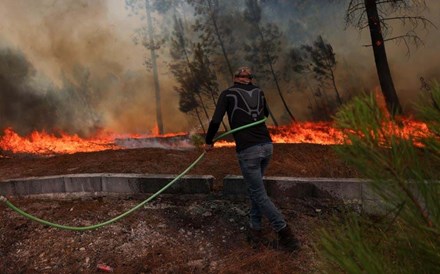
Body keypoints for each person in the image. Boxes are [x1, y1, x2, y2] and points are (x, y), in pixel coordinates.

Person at [204, 66, 300, 251]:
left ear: (235, 78)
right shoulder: (258, 91)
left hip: (249, 150)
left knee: (257, 193)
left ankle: (285, 232)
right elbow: (264, 115)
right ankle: (255, 228)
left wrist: (209, 141)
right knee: (256, 189)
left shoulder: (228, 94)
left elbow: (216, 120)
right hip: (266, 147)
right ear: (250, 79)